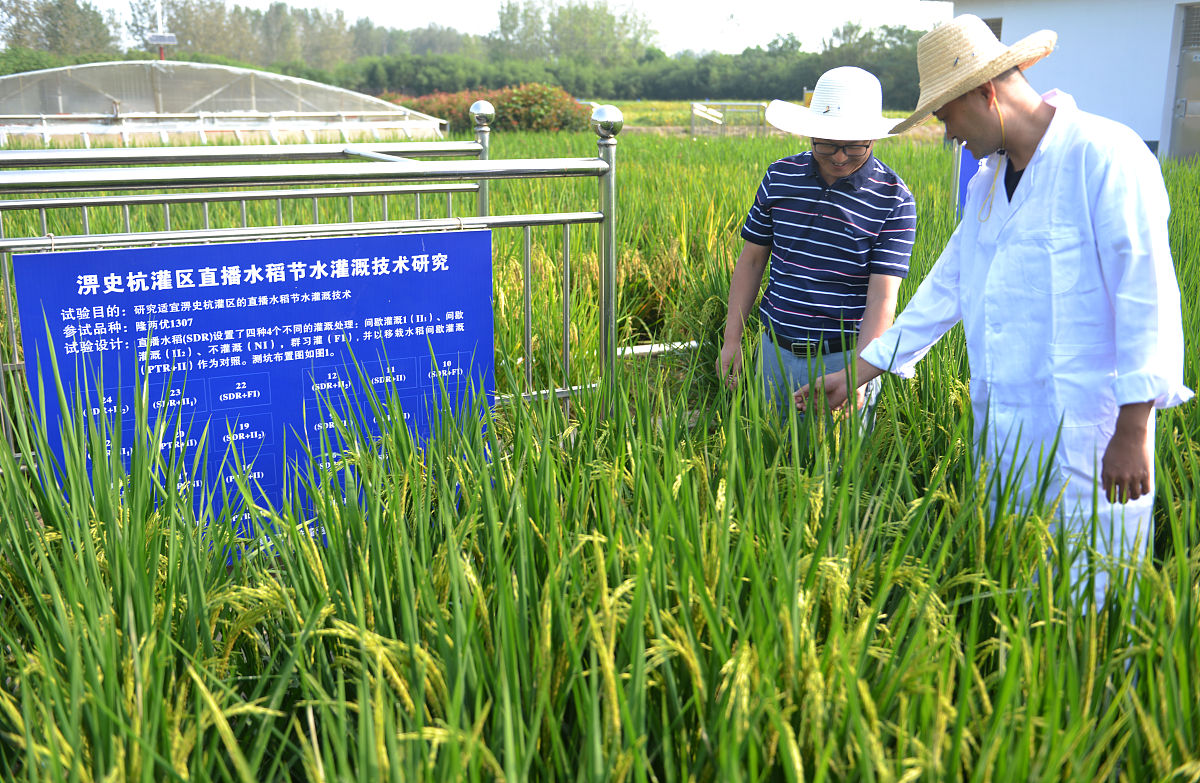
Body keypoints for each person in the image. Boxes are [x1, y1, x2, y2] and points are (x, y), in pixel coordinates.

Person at [798, 15, 1193, 597]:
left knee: (1096, 600)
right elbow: (946, 288)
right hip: (1006, 432)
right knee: (1014, 587)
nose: (950, 135)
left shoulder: (1105, 154)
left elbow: (1147, 290)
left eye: (948, 116)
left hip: (1093, 434)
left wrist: (1135, 426)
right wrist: (859, 370)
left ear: (985, 92)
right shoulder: (985, 184)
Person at [717, 66, 916, 422]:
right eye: (826, 143)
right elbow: (751, 262)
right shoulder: (780, 177)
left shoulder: (893, 198)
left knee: (836, 472)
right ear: (810, 134)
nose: (839, 156)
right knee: (766, 462)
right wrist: (732, 339)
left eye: (854, 145)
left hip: (843, 358)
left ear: (873, 137)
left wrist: (857, 375)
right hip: (774, 353)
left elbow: (883, 297)